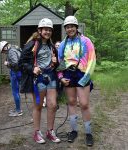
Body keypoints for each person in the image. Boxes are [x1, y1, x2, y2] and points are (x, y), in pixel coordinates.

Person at [18, 18, 60, 144]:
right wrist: (32, 68)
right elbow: (21, 63)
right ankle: (37, 132)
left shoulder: (51, 46)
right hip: (38, 79)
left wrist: (55, 62)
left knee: (52, 105)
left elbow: (56, 64)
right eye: (45, 29)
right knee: (38, 106)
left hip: (51, 77)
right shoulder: (32, 44)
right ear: (40, 30)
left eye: (49, 30)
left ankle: (50, 131)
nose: (47, 32)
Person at [57, 16, 96, 146]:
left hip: (82, 73)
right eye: (67, 27)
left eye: (72, 26)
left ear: (76, 27)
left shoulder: (86, 41)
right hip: (68, 74)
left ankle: (89, 133)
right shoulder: (62, 44)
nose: (70, 29)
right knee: (72, 102)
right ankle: (74, 130)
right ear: (65, 29)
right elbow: (60, 61)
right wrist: (61, 77)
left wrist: (85, 78)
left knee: (84, 104)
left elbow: (92, 60)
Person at [0, 41, 23, 117]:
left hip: (15, 73)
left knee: (15, 92)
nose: (3, 52)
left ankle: (18, 111)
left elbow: (15, 63)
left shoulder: (11, 51)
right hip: (18, 72)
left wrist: (7, 63)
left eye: (3, 51)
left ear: (4, 48)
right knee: (16, 92)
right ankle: (17, 108)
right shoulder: (15, 48)